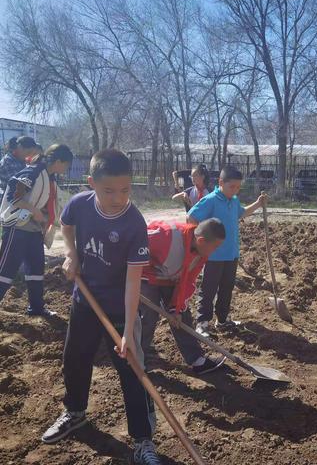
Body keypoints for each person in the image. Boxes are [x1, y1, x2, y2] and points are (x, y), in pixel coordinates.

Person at [41, 149, 163, 465]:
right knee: (75, 359)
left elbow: (134, 281)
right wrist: (72, 254)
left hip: (121, 308)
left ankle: (143, 440)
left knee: (133, 370)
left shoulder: (134, 222)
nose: (118, 198)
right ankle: (75, 412)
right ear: (91, 183)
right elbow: (66, 225)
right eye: (109, 191)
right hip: (84, 301)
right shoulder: (79, 204)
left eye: (125, 190)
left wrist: (127, 333)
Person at [187, 165, 267, 337]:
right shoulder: (211, 200)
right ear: (221, 182)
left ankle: (222, 320)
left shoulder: (234, 200)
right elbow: (191, 216)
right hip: (214, 254)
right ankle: (202, 322)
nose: (235, 190)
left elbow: (242, 213)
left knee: (226, 288)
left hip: (231, 253)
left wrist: (258, 204)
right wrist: (199, 243)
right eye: (232, 187)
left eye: (238, 187)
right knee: (208, 289)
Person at [140, 218, 227, 374]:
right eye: (215, 247)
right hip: (145, 274)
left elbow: (187, 282)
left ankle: (197, 361)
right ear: (201, 240)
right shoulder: (166, 237)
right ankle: (137, 360)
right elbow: (134, 242)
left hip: (170, 278)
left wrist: (176, 309)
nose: (216, 251)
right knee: (148, 316)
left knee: (182, 315)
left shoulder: (201, 254)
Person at [0, 143, 73, 316]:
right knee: (6, 270)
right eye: (67, 165)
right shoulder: (33, 171)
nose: (67, 169)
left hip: (33, 230)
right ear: (58, 161)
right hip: (17, 227)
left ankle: (36, 308)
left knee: (36, 269)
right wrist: (34, 211)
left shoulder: (50, 177)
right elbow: (12, 196)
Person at [0, 136, 38, 201]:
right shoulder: (7, 162)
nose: (29, 156)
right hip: (9, 203)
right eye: (28, 152)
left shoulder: (21, 161)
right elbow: (17, 186)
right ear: (20, 147)